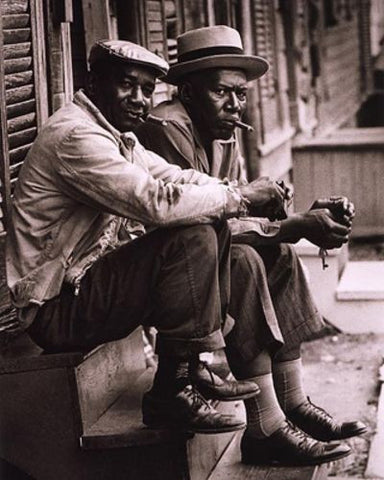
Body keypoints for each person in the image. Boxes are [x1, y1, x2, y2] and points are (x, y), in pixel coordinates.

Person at [6, 39, 292, 436]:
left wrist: (239, 191)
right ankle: (171, 390)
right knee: (191, 234)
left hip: (84, 288)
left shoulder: (116, 135)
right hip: (55, 310)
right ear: (95, 81)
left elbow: (174, 178)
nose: (139, 99)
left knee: (214, 225)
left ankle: (197, 370)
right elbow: (156, 202)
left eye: (147, 89)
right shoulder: (77, 137)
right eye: (128, 85)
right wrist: (240, 197)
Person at [136, 26, 367, 466]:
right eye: (223, 92)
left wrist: (295, 218)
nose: (236, 106)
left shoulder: (223, 131)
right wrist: (294, 225)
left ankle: (292, 401)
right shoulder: (166, 129)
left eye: (241, 94)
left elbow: (237, 215)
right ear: (187, 90)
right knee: (243, 260)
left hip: (200, 268)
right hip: (163, 278)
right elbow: (203, 227)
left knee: (276, 254)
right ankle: (265, 426)